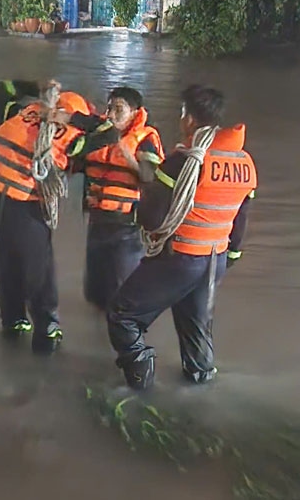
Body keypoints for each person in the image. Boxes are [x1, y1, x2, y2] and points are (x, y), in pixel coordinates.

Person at [106, 85, 257, 390]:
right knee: (196, 329)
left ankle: (140, 386)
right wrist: (231, 258)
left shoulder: (182, 161)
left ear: (188, 118)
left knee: (123, 315)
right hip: (214, 262)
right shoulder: (244, 164)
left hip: (179, 259)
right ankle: (200, 390)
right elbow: (240, 221)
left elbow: (152, 216)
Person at [0, 81, 119, 354]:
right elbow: (109, 133)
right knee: (39, 270)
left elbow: (1, 87)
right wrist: (71, 119)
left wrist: (39, 87)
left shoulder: (18, 114)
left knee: (5, 264)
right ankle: (47, 328)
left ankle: (13, 320)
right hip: (27, 207)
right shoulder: (71, 137)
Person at [82, 87, 164, 310]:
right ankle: (96, 337)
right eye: (109, 108)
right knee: (95, 293)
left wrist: (129, 158)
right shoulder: (100, 134)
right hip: (97, 221)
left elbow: (151, 179)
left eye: (119, 109)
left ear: (135, 113)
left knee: (123, 292)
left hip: (126, 226)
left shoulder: (146, 138)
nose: (111, 115)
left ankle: (123, 335)